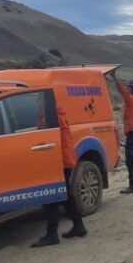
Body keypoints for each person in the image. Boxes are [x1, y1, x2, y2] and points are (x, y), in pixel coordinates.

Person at [31, 104, 87, 247]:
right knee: (65, 195)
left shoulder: (51, 113)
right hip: (62, 158)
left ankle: (52, 234)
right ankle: (78, 226)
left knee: (52, 196)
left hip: (58, 160)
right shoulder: (55, 111)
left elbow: (48, 136)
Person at [113, 74, 133, 193]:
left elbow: (123, 93)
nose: (125, 90)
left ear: (131, 90)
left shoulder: (131, 100)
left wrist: (115, 79)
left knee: (130, 159)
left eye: (127, 88)